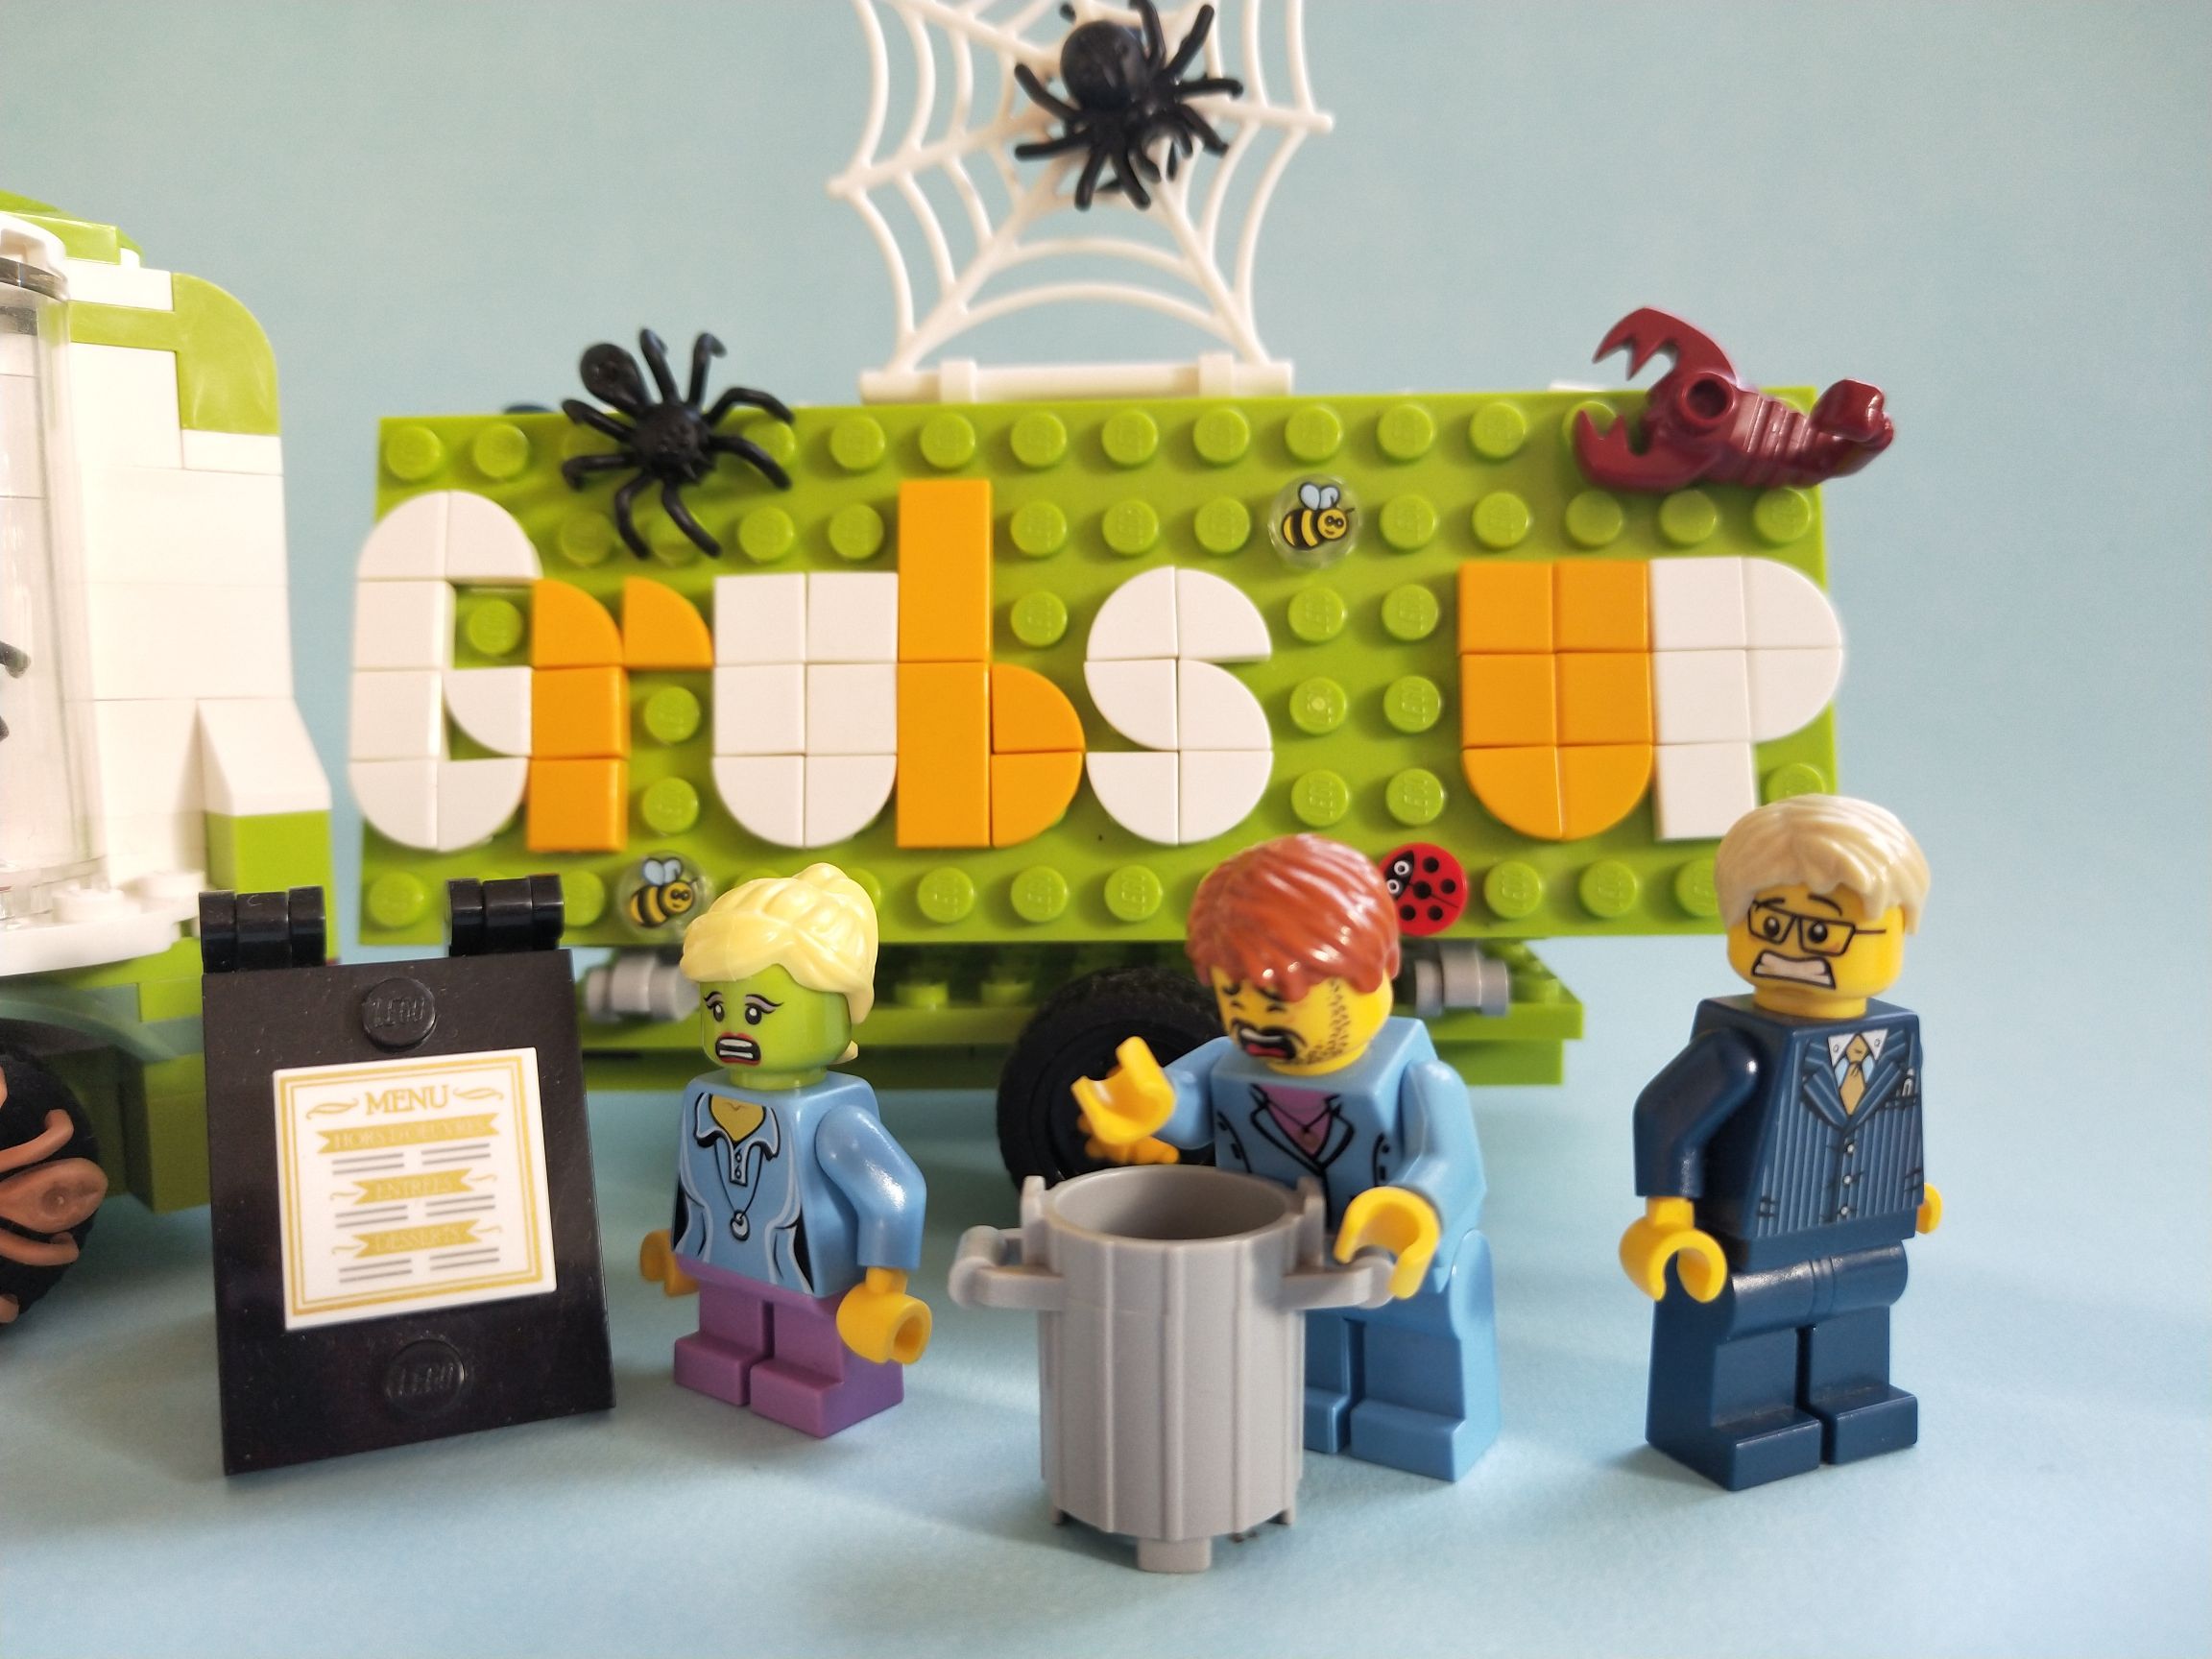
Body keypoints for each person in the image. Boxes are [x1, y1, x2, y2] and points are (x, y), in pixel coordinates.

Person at [1074, 832, 1499, 1481]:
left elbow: (1454, 1162)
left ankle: (1419, 1417)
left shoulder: (1417, 1078)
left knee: (1415, 1341)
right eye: (1233, 998)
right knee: (1300, 1339)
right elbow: (1191, 1107)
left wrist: (1415, 1205)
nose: (1253, 1023)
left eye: (1277, 1002)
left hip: (1391, 1257)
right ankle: (1306, 1403)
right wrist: (1151, 1108)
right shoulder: (1230, 1061)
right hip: (1283, 1252)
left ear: (1370, 972)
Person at [1620, 794, 1936, 1489]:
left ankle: (1850, 1398)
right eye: (1769, 924)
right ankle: (1736, 1418)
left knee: (1858, 1310)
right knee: (1746, 1322)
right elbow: (1667, 1116)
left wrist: (1910, 1187)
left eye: (1824, 932)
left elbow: (1889, 1112)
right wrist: (1667, 1218)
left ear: (1898, 929)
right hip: (1751, 1241)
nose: (1793, 950)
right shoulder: (1738, 1048)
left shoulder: (1890, 1037)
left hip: (1864, 1231)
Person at [639, 864, 929, 1438]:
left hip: (810, 1273)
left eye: (756, 1013)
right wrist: (681, 1243)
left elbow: (895, 1193)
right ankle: (727, 1350)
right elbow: (698, 1178)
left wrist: (882, 1282)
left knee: (812, 1346)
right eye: (716, 1008)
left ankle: (821, 1377)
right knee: (727, 1327)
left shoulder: (833, 1114)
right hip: (724, 1262)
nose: (732, 1028)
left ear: (839, 1010)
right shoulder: (706, 1095)